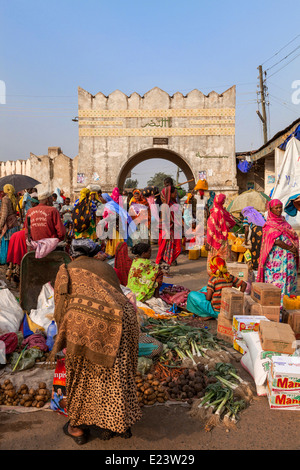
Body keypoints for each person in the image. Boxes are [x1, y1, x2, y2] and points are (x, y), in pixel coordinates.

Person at [50, 243, 141, 444]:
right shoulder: (107, 267)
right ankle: (116, 424)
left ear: (72, 257)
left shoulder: (66, 270)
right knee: (116, 375)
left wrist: (64, 340)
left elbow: (61, 309)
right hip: (122, 322)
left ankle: (77, 428)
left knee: (82, 377)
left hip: (88, 325)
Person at [257, 199, 299, 304]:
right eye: (276, 208)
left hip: (288, 260)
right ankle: (276, 305)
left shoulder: (284, 221)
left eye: (280, 207)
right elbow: (276, 241)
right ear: (271, 210)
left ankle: (288, 304)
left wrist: (294, 247)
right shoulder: (269, 224)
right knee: (277, 282)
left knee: (289, 281)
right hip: (276, 261)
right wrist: (290, 248)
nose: (279, 210)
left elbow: (292, 235)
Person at [186, 255, 246, 319]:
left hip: (216, 311)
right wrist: (238, 299)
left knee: (191, 294)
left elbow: (208, 299)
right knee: (205, 288)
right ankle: (210, 315)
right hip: (227, 310)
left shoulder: (213, 279)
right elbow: (244, 284)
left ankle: (207, 315)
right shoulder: (229, 277)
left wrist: (208, 295)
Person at [206, 193, 236, 270]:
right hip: (223, 241)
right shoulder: (224, 212)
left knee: (215, 262)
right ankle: (225, 276)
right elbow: (232, 222)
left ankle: (216, 278)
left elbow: (211, 230)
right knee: (224, 262)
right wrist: (225, 227)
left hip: (214, 242)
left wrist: (207, 242)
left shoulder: (214, 213)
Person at [155, 186, 182, 271]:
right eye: (174, 193)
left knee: (173, 250)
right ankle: (163, 270)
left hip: (173, 230)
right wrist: (167, 233)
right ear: (170, 194)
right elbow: (164, 220)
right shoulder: (165, 206)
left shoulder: (172, 204)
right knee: (165, 250)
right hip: (167, 231)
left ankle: (164, 268)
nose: (176, 194)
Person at [241, 206, 266, 271]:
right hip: (264, 232)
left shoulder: (247, 217)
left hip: (256, 232)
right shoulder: (260, 214)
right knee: (262, 248)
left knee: (255, 249)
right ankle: (263, 265)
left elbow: (246, 230)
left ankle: (255, 266)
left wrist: (246, 240)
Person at [0, 184, 19, 266]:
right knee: (13, 242)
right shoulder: (14, 199)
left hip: (8, 225)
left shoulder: (5, 199)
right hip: (14, 223)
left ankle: (6, 260)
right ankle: (13, 260)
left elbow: (4, 214)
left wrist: (0, 225)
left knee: (6, 242)